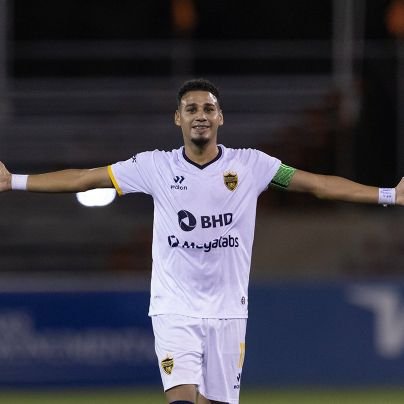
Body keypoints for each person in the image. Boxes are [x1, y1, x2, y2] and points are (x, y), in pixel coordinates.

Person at [0, 78, 403, 404]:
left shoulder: (251, 166)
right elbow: (87, 177)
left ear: (220, 117)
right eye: (191, 109)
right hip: (174, 308)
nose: (200, 116)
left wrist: (388, 194)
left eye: (208, 108)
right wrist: (14, 181)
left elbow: (317, 185)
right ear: (177, 118)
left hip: (229, 312)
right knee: (181, 398)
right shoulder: (155, 166)